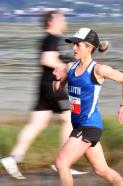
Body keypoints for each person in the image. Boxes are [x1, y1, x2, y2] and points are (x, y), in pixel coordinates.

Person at [0, 11, 80, 179]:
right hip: (53, 86)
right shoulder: (52, 38)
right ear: (51, 22)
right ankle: (63, 162)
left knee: (37, 123)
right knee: (70, 119)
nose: (64, 20)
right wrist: (68, 69)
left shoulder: (49, 39)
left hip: (45, 85)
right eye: (61, 18)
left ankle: (13, 158)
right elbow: (47, 60)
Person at [52, 27, 123, 186]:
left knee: (61, 163)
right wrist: (56, 78)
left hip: (90, 126)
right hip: (79, 125)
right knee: (101, 169)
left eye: (78, 45)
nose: (73, 48)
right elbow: (57, 90)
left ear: (89, 48)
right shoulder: (70, 68)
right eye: (73, 44)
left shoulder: (98, 70)